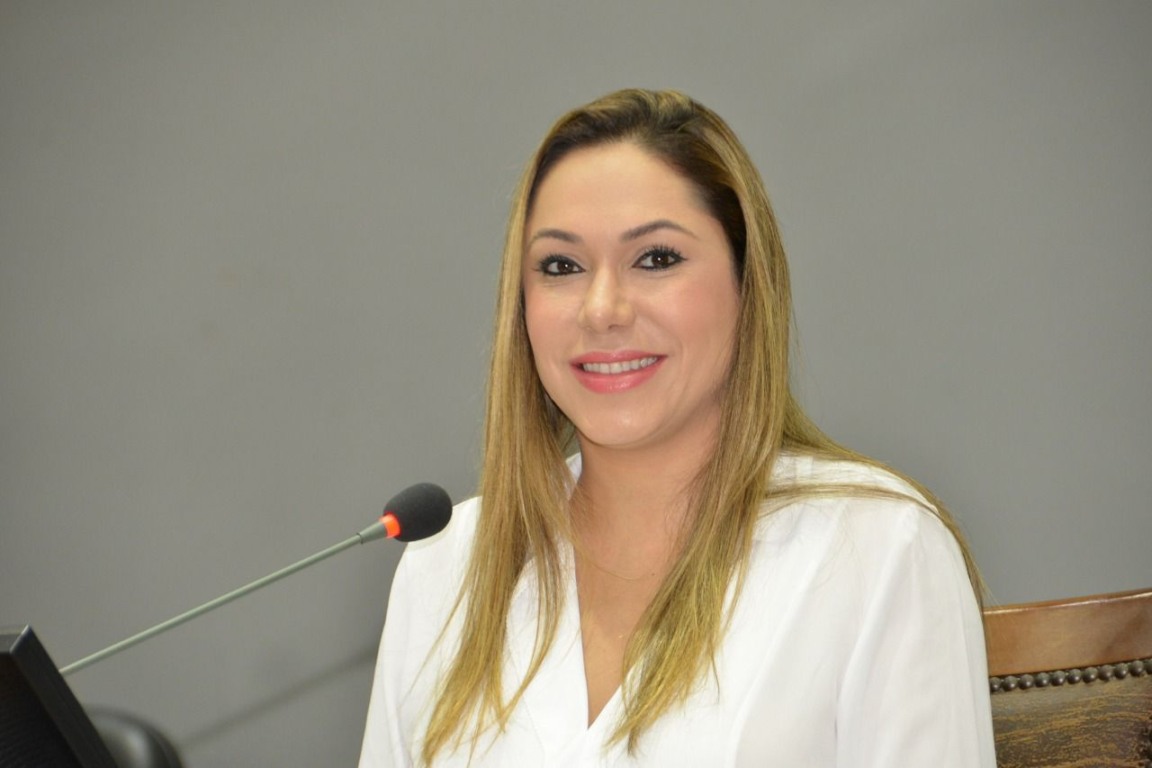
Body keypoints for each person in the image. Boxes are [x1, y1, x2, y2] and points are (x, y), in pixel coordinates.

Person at [358, 89, 995, 767]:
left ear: (748, 285)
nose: (602, 309)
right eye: (561, 266)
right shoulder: (446, 566)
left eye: (656, 258)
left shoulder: (879, 548)